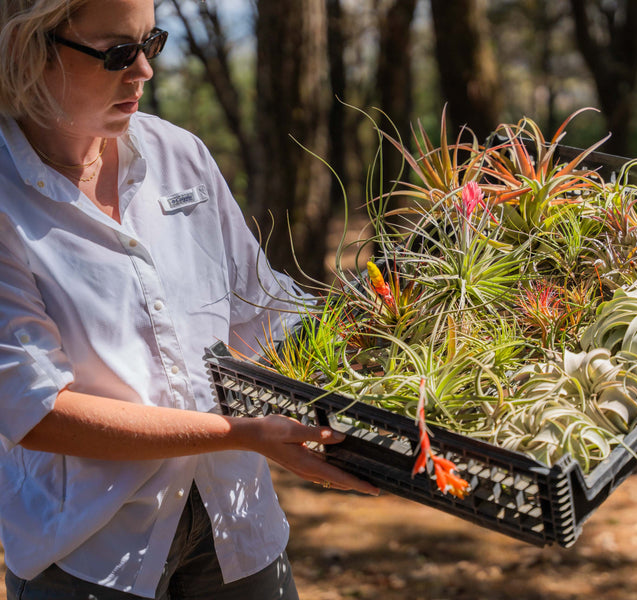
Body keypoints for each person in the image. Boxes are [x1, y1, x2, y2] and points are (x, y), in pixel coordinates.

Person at [0, 0, 379, 598]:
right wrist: (239, 432)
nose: (144, 72)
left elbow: (262, 313)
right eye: (118, 53)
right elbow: (39, 413)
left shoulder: (178, 155)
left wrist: (382, 323)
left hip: (238, 526)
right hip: (92, 550)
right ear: (28, 50)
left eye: (150, 44)